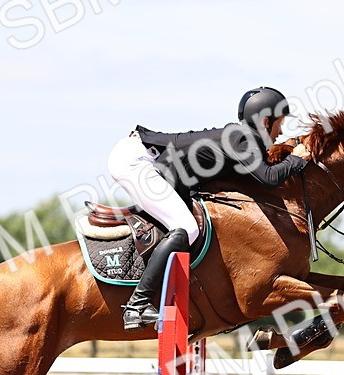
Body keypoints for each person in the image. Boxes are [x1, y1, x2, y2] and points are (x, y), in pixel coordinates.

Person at [107, 87, 312, 329]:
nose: (280, 133)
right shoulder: (245, 138)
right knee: (186, 228)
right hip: (136, 161)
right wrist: (297, 159)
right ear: (265, 121)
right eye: (280, 124)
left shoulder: (242, 138)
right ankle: (136, 306)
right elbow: (268, 177)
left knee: (187, 223)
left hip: (151, 162)